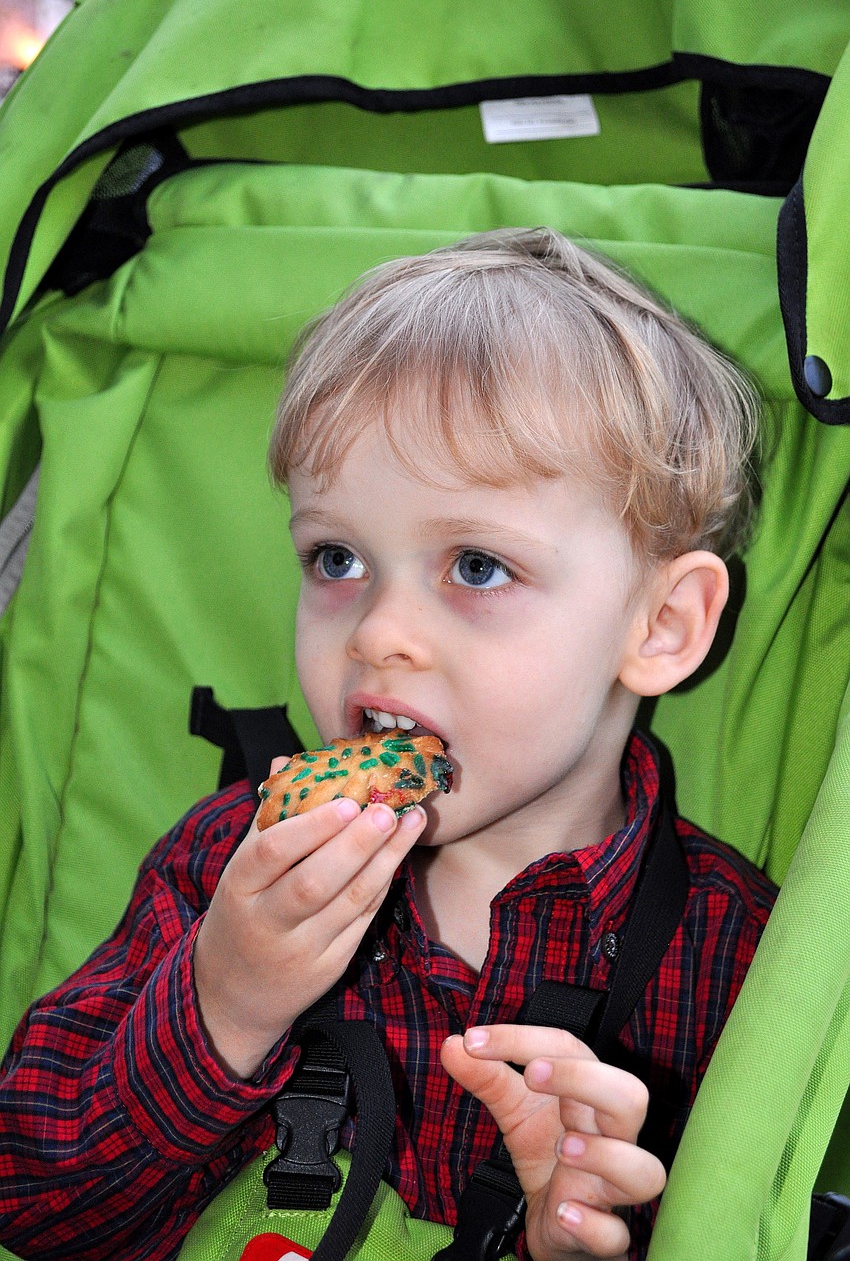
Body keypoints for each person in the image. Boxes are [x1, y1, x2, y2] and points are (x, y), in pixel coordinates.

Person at [0, 228, 776, 1261]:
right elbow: (34, 1207)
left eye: (477, 566)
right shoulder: (233, 867)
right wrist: (223, 1002)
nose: (375, 633)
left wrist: (586, 1243)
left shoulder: (734, 957)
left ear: (661, 626)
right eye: (336, 557)